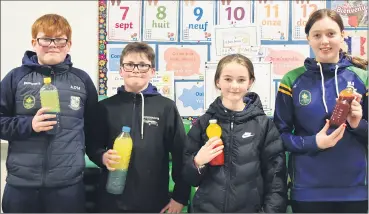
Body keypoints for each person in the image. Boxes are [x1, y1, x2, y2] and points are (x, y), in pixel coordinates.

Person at [0, 14, 98, 212]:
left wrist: (101, 156)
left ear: (69, 44)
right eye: (46, 39)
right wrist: (29, 125)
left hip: (67, 187)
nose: (53, 45)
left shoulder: (82, 80)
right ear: (34, 42)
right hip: (21, 186)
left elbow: (94, 130)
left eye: (60, 39)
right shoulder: (15, 78)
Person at [274, 9, 368, 213]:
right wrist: (314, 142)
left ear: (343, 35)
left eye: (331, 34)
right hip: (307, 191)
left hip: (356, 190)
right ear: (308, 39)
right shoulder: (291, 80)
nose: (324, 41)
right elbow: (278, 137)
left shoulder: (363, 79)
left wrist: (357, 124)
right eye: (317, 35)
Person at [86, 42, 191, 213]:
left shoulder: (166, 108)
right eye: (129, 65)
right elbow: (92, 146)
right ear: (120, 70)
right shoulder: (105, 107)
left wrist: (180, 197)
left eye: (142, 65)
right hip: (112, 200)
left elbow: (181, 154)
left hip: (153, 201)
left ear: (152, 71)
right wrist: (102, 157)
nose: (135, 70)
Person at [182, 54, 288, 212]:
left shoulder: (263, 125)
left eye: (241, 80)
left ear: (250, 82)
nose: (234, 86)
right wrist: (197, 162)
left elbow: (276, 180)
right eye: (228, 79)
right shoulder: (203, 124)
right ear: (218, 81)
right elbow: (189, 178)